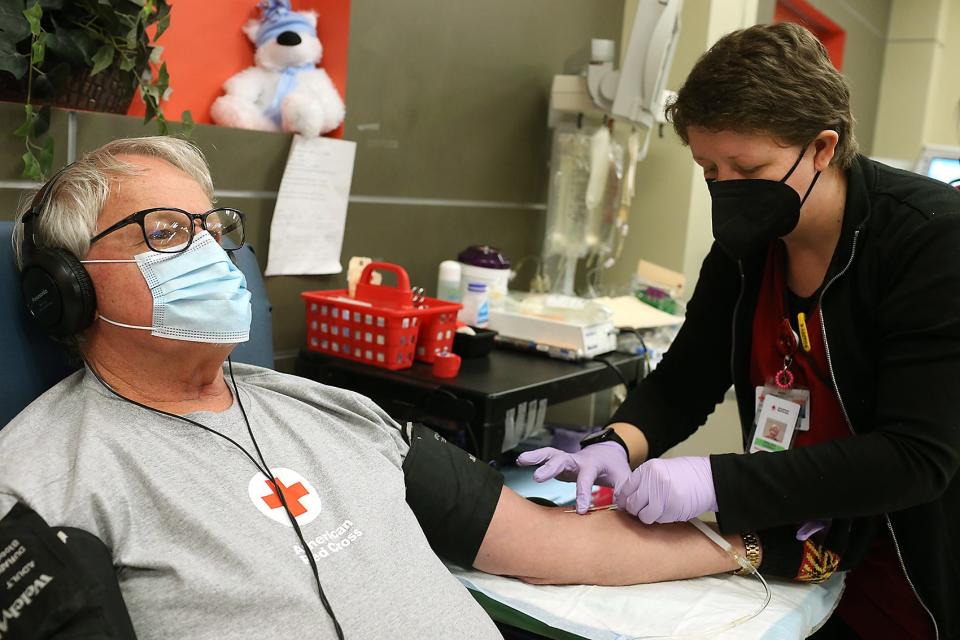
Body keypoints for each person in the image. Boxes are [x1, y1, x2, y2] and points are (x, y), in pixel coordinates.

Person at [0, 136, 749, 640]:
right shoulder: (42, 482)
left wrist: (746, 542)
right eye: (166, 232)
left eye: (212, 228)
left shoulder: (336, 411)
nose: (208, 253)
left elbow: (549, 544)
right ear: (67, 289)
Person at [519, 22, 960, 640]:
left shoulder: (930, 240)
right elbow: (688, 376)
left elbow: (916, 457)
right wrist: (617, 442)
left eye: (748, 168)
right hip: (793, 538)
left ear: (823, 147)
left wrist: (712, 481)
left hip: (907, 558)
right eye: (708, 169)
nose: (726, 191)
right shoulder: (747, 246)